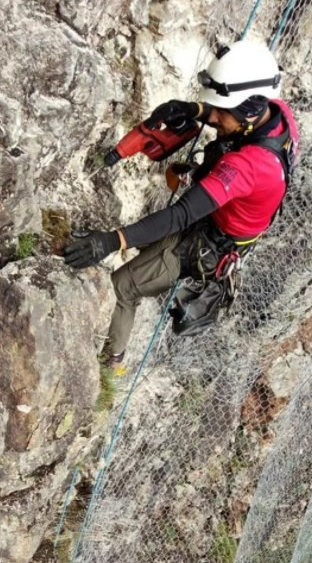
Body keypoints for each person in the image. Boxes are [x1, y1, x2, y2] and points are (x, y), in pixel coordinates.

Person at [63, 40, 299, 368]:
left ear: (248, 110)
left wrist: (112, 241)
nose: (212, 117)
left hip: (206, 243)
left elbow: (181, 215)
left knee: (124, 287)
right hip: (226, 217)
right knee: (145, 248)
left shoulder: (248, 167)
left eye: (220, 112)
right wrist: (191, 110)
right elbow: (229, 119)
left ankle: (110, 368)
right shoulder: (278, 115)